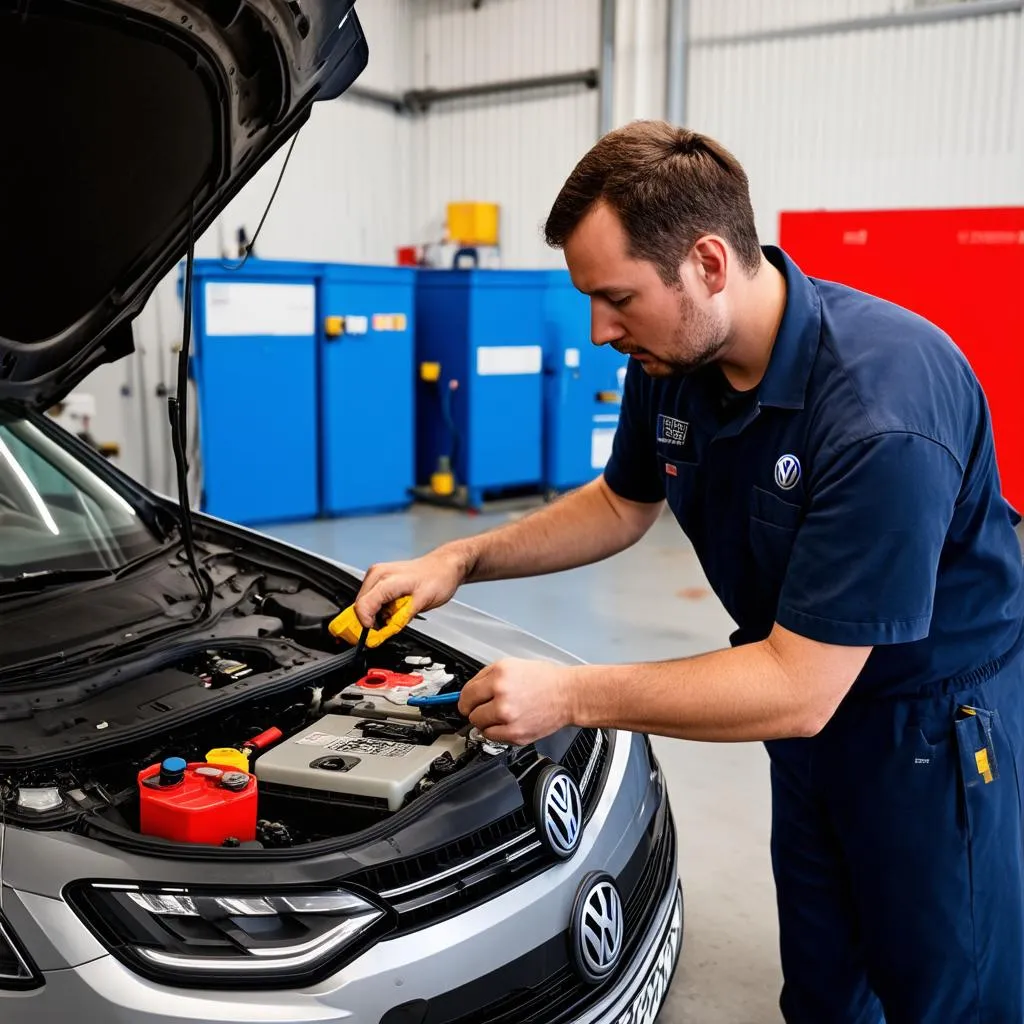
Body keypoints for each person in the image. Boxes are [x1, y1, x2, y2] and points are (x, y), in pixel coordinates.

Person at [350, 121, 1024, 1023]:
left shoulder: (880, 412)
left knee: (945, 997)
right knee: (825, 989)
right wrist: (462, 556)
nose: (599, 332)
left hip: (928, 738)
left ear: (709, 263)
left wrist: (573, 695)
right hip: (811, 727)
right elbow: (622, 504)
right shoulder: (673, 359)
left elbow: (797, 686)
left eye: (617, 298)